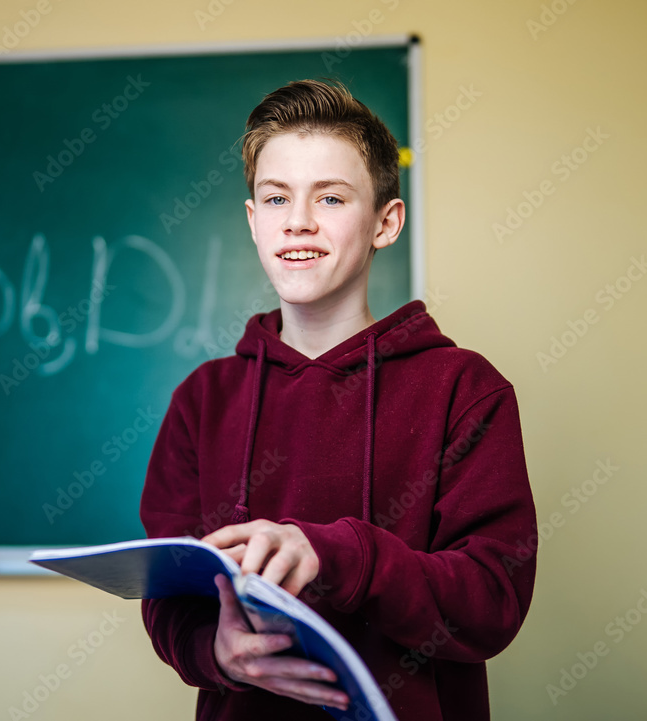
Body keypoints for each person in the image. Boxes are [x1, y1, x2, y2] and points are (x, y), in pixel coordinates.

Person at [139, 79, 537, 721]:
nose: (298, 219)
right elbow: (168, 595)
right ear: (252, 219)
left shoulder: (465, 389)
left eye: (330, 196)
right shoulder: (201, 400)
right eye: (276, 198)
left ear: (386, 222)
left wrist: (339, 553)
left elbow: (491, 602)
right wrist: (213, 652)